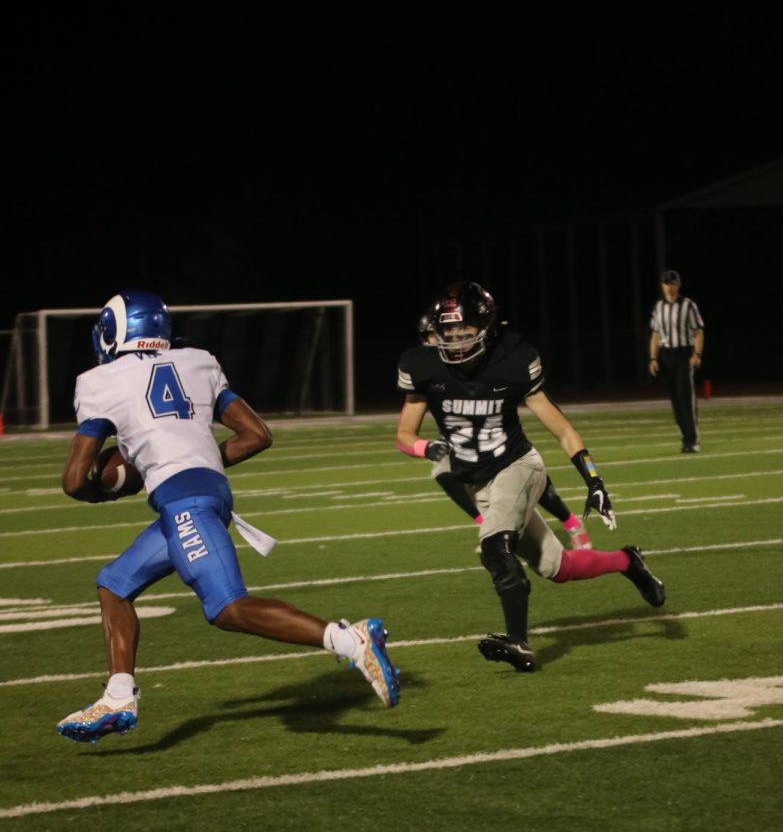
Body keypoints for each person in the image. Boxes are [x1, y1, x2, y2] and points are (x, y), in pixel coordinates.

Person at [57, 289, 400, 744]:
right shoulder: (198, 360)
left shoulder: (99, 380)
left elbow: (74, 478)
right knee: (114, 584)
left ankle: (350, 640)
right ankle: (119, 695)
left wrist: (110, 489)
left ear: (115, 331)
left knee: (227, 607)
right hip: (205, 493)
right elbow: (256, 434)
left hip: (184, 502)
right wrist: (188, 461)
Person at [397, 281, 665, 673]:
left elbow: (563, 430)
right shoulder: (421, 365)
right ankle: (629, 562)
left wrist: (594, 481)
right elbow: (404, 435)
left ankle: (518, 642)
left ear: (487, 329)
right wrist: (426, 448)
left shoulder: (514, 358)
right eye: (448, 334)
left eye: (465, 334)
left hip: (518, 466)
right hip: (478, 483)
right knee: (559, 569)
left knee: (495, 548)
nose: (455, 343)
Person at [415, 304, 592, 550]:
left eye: (434, 335)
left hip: (495, 433)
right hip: (460, 438)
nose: (434, 341)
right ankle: (487, 523)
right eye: (429, 337)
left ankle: (570, 522)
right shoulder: (429, 365)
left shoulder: (480, 357)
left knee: (525, 477)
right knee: (443, 473)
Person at [648, 269, 705, 452]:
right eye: (666, 283)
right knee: (675, 398)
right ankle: (685, 437)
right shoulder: (659, 307)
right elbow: (655, 334)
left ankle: (692, 439)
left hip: (683, 353)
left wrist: (697, 354)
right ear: (662, 286)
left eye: (672, 283)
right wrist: (653, 358)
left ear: (678, 285)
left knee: (685, 397)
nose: (669, 287)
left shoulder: (688, 305)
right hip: (666, 355)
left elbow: (698, 331)